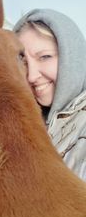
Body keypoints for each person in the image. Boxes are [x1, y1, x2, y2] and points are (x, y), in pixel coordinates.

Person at [13, 9, 86, 181]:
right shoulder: (29, 123)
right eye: (23, 62)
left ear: (73, 56)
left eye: (44, 57)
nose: (31, 76)